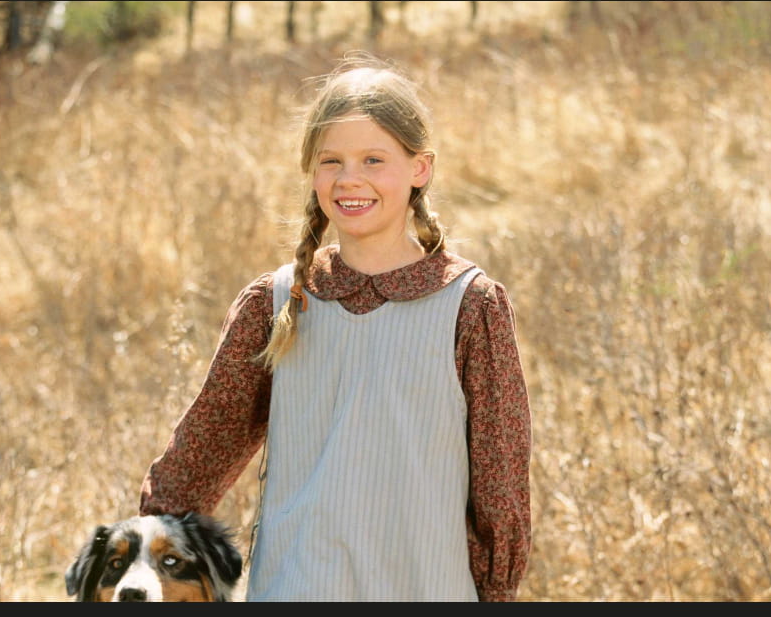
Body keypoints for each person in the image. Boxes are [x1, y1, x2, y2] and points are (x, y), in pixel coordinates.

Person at [139, 52, 531, 602]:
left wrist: (495, 590)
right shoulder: (276, 302)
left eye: (374, 159)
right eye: (331, 161)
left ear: (420, 168)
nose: (350, 180)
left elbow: (501, 491)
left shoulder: (470, 307)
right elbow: (197, 457)